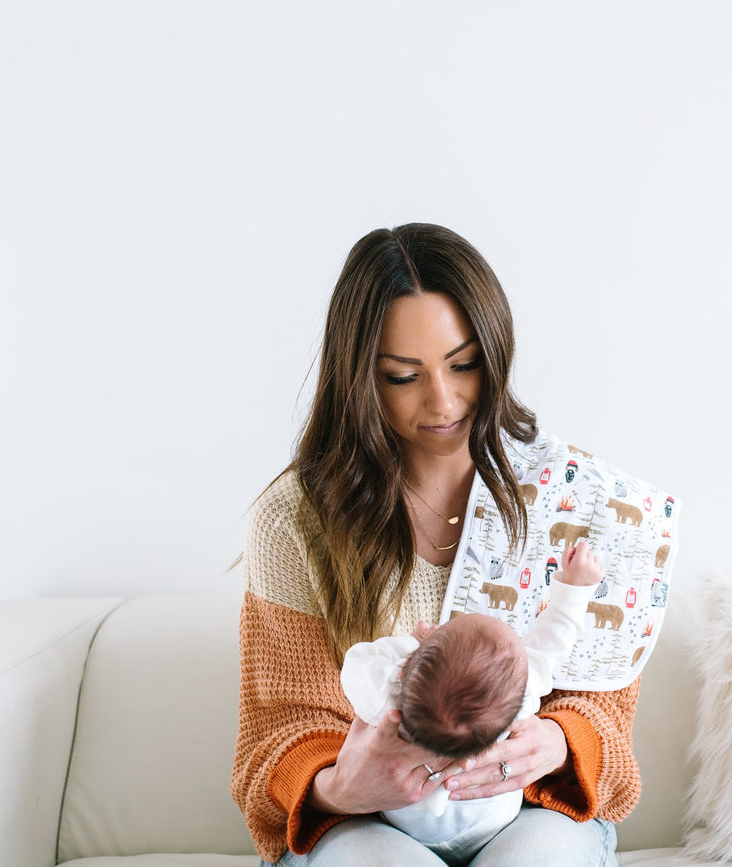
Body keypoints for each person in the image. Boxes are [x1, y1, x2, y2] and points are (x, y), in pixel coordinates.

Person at [230, 224, 640, 867]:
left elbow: (604, 703)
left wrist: (558, 742)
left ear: (496, 353)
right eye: (403, 376)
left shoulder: (573, 501)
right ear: (360, 377)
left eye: (464, 364)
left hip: (526, 813)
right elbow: (279, 731)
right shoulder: (295, 520)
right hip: (369, 823)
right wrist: (339, 786)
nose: (443, 401)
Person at [339, 541, 602, 859]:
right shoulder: (518, 696)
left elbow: (357, 662)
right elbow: (553, 641)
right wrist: (575, 589)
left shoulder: (389, 698)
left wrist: (409, 649)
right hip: (493, 827)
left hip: (404, 828)